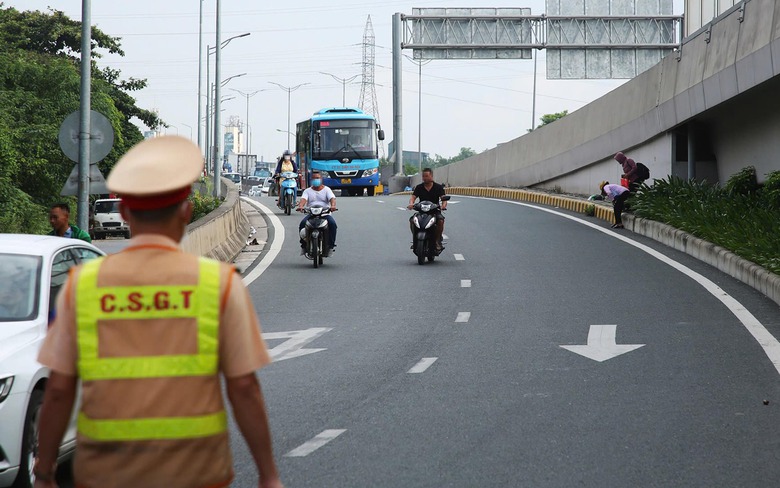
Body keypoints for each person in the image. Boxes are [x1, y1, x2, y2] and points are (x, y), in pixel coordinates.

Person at [34, 136, 283, 488]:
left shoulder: (82, 285)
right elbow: (243, 387)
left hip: (106, 473)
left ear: (124, 213)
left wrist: (44, 471)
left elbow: (59, 389)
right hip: (195, 471)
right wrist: (268, 475)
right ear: (186, 212)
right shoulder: (220, 284)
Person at [296, 170, 337, 253]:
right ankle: (304, 245)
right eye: (314, 178)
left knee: (332, 224)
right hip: (311, 213)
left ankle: (331, 246)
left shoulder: (327, 190)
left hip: (325, 213)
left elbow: (332, 198)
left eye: (317, 178)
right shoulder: (307, 191)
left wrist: (333, 206)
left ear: (321, 179)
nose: (316, 180)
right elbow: (303, 199)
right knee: (302, 224)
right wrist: (301, 206)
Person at [407, 167, 447, 251]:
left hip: (434, 211)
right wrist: (411, 204)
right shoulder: (419, 187)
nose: (425, 178)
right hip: (421, 211)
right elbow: (413, 197)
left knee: (440, 220)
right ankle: (415, 240)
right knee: (412, 220)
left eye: (426, 176)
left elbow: (443, 199)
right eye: (423, 176)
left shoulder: (438, 187)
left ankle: (437, 240)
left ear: (431, 176)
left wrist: (443, 206)